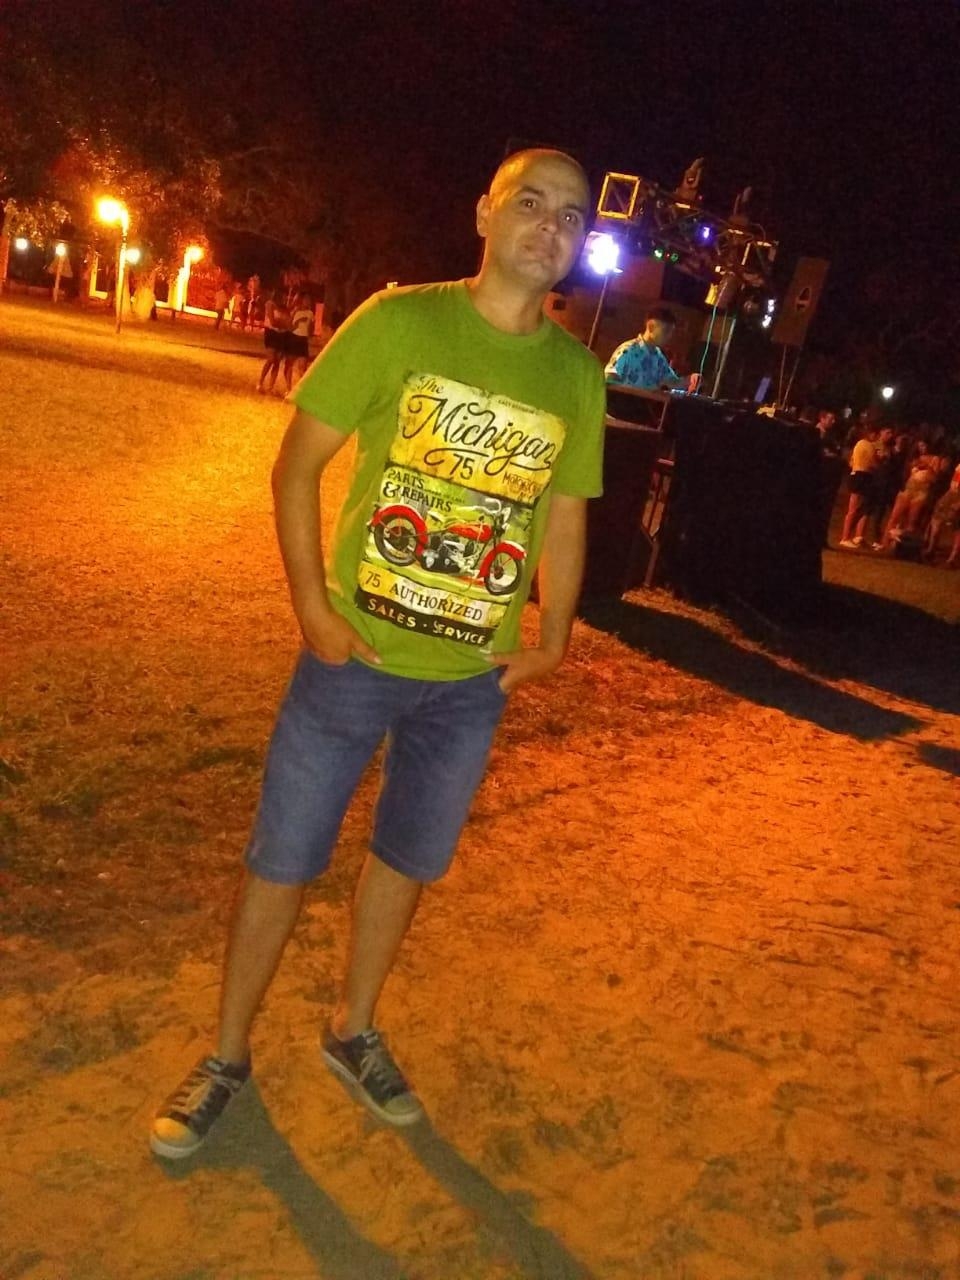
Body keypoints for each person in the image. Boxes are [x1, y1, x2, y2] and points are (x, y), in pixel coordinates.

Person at [150, 148, 606, 1159]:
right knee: (283, 859)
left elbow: (567, 517)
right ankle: (225, 1055)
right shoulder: (399, 321)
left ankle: (352, 1029)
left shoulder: (577, 374)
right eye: (531, 201)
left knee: (406, 859)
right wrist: (312, 605)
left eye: (572, 215)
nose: (551, 224)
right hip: (351, 662)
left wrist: (555, 637)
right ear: (484, 212)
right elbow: (296, 465)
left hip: (469, 685)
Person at [604, 306, 701, 393]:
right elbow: (608, 379)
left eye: (671, 332)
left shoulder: (658, 357)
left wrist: (690, 380)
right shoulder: (628, 350)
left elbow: (672, 382)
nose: (669, 336)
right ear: (650, 327)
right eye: (666, 331)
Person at [838, 424, 880, 549]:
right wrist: (879, 461)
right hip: (862, 476)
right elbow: (874, 463)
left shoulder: (858, 444)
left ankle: (856, 536)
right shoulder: (868, 445)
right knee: (854, 509)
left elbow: (851, 462)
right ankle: (845, 537)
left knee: (860, 508)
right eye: (876, 435)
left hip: (856, 474)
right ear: (872, 434)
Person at [923, 462, 960, 567]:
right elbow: (954, 483)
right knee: (937, 518)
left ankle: (952, 559)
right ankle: (931, 550)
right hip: (952, 493)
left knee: (958, 528)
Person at [256, 290, 291, 394]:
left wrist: (283, 324)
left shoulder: (285, 308)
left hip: (282, 335)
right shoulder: (270, 304)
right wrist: (283, 323)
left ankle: (271, 386)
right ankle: (260, 382)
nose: (283, 298)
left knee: (277, 361)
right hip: (271, 333)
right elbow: (273, 322)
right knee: (271, 359)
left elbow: (289, 323)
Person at [284, 291, 314, 387]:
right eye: (306, 299)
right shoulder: (295, 311)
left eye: (309, 300)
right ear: (301, 300)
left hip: (303, 340)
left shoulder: (310, 313)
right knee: (289, 364)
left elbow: (311, 330)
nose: (308, 301)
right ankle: (288, 387)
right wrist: (298, 322)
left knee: (303, 366)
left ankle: (301, 387)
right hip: (294, 338)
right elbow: (289, 327)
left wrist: (310, 331)